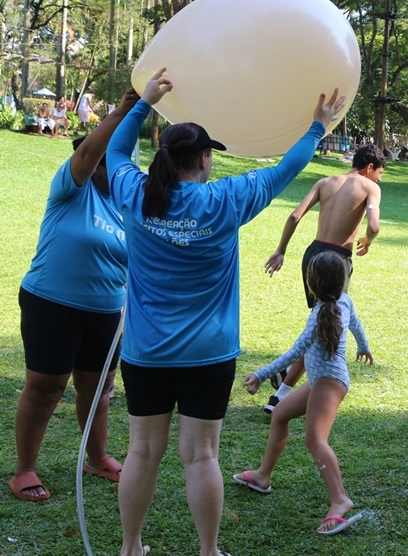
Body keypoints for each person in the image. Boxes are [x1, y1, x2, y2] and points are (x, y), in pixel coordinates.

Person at [106, 68, 345, 556]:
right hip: (208, 354)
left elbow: (114, 153)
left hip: (146, 352)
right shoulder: (225, 199)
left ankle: (131, 548)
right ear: (204, 159)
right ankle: (208, 550)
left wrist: (142, 103)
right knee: (200, 456)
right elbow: (286, 169)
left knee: (142, 453)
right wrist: (318, 126)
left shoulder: (135, 192)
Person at [10, 88, 139, 503]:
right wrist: (121, 112)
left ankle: (97, 457)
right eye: (96, 155)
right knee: (45, 388)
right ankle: (25, 469)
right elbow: (84, 159)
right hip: (52, 303)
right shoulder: (71, 189)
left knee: (98, 389)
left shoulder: (127, 204)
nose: (100, 162)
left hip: (106, 312)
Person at [234, 252, 373, 535]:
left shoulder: (321, 312)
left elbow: (296, 352)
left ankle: (339, 499)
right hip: (323, 380)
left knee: (315, 440)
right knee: (281, 414)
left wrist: (260, 375)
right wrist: (364, 346)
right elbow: (357, 324)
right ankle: (262, 476)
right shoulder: (343, 301)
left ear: (311, 284)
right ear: (342, 280)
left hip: (328, 382)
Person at [262, 143, 384, 413]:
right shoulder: (370, 187)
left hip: (313, 255)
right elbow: (374, 226)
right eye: (380, 173)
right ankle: (282, 391)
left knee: (321, 322)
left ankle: (281, 388)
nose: (379, 179)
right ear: (369, 167)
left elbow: (295, 215)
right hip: (337, 259)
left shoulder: (325, 182)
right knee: (325, 326)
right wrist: (369, 239)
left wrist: (281, 251)